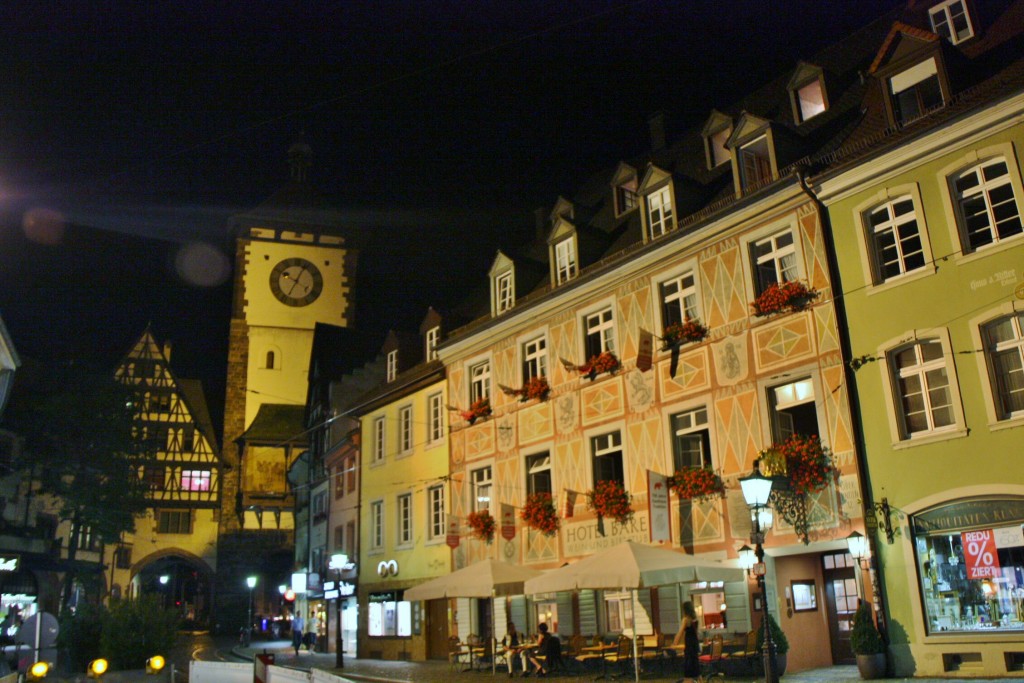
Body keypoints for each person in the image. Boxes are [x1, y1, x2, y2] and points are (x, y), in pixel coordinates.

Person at [672, 600, 701, 683]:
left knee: (688, 674)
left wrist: (675, 643)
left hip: (689, 648)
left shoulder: (686, 620)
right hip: (695, 646)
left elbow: (680, 632)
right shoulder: (695, 620)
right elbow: (696, 633)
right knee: (697, 671)